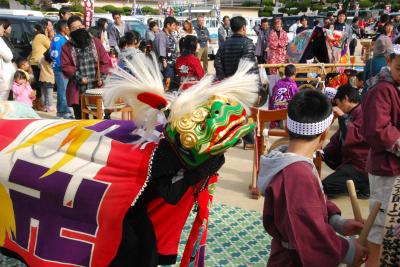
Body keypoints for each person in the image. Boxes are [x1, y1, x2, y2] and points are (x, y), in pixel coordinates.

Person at [258, 89, 368, 267]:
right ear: (324, 134)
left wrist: (337, 222)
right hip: (295, 260)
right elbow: (310, 232)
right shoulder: (297, 174)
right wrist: (347, 250)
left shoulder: (290, 162)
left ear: (287, 127)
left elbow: (313, 205)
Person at [361, 45, 400, 267]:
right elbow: (377, 129)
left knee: (393, 227)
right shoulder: (382, 89)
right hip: (387, 170)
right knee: (381, 226)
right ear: (388, 59)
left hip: (394, 168)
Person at [214, 16, 259, 147]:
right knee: (247, 112)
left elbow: (217, 62)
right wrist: (258, 86)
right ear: (244, 27)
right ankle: (249, 140)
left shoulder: (224, 44)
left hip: (228, 83)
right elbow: (249, 66)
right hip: (244, 84)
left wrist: (223, 78)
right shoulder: (247, 43)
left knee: (232, 111)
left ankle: (233, 138)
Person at [322, 85, 370, 199]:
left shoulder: (365, 113)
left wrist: (343, 117)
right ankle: (359, 181)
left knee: (325, 187)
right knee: (327, 154)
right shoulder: (354, 112)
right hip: (352, 159)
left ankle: (365, 182)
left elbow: (356, 136)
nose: (338, 106)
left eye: (338, 103)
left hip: (362, 165)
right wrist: (322, 152)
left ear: (346, 98)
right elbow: (337, 138)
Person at [61, 16, 111, 119]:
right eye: (74, 28)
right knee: (81, 120)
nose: (78, 29)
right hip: (78, 89)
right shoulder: (66, 47)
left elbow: (105, 61)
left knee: (100, 118)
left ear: (84, 26)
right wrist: (79, 78)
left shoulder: (96, 42)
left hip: (96, 88)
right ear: (69, 30)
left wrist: (101, 77)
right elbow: (65, 66)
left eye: (80, 26)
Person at [362, 22, 393, 97]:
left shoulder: (370, 62)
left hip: (372, 95)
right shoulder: (393, 62)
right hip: (387, 95)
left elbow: (364, 80)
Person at [50, 19, 73, 119]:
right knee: (63, 91)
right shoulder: (60, 40)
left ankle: (61, 111)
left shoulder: (58, 38)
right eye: (68, 27)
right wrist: (65, 68)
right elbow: (59, 56)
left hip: (59, 68)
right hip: (61, 69)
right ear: (64, 28)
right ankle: (65, 112)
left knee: (61, 90)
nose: (69, 29)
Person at [30, 23, 51, 110]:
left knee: (39, 84)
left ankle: (37, 104)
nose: (50, 28)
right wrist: (48, 36)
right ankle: (40, 104)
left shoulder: (36, 36)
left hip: (35, 62)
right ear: (45, 28)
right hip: (39, 63)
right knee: (42, 84)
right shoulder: (42, 37)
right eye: (49, 26)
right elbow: (50, 46)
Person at [154, 16, 178, 91]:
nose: (175, 27)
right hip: (166, 65)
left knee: (172, 85)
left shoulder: (169, 35)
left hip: (172, 63)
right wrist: (164, 61)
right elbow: (161, 50)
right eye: (173, 25)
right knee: (167, 85)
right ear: (168, 25)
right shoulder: (161, 36)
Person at [0, 19, 15, 101]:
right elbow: (9, 56)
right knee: (2, 103)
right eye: (2, 27)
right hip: (3, 77)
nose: (3, 29)